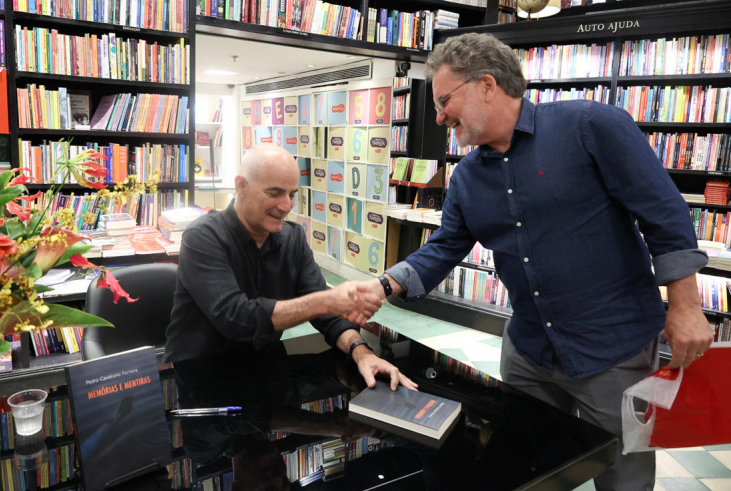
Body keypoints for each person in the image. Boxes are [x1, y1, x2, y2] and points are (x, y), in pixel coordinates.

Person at [360, 33, 714, 491]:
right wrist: (382, 286)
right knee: (528, 467)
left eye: (446, 100)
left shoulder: (590, 126)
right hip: (528, 352)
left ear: (487, 85)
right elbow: (446, 245)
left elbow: (664, 213)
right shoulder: (466, 175)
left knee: (624, 475)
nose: (439, 115)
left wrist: (684, 305)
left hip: (614, 350)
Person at [164, 144, 416, 391]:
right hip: (201, 380)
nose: (286, 206)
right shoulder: (202, 237)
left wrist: (361, 353)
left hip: (265, 372)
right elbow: (236, 318)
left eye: (292, 194)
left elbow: (329, 318)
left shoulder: (292, 239)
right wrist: (328, 300)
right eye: (274, 193)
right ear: (241, 186)